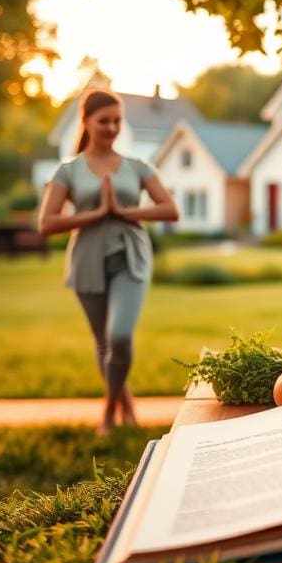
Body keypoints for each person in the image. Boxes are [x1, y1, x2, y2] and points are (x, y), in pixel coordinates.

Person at [38, 89, 179, 435]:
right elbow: (46, 223)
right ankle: (125, 404)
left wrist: (124, 212)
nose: (112, 128)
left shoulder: (137, 167)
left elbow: (170, 209)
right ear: (86, 121)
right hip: (88, 261)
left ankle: (108, 413)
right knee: (103, 342)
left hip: (131, 258)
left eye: (118, 121)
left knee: (119, 336)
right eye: (104, 121)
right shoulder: (68, 171)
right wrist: (97, 213)